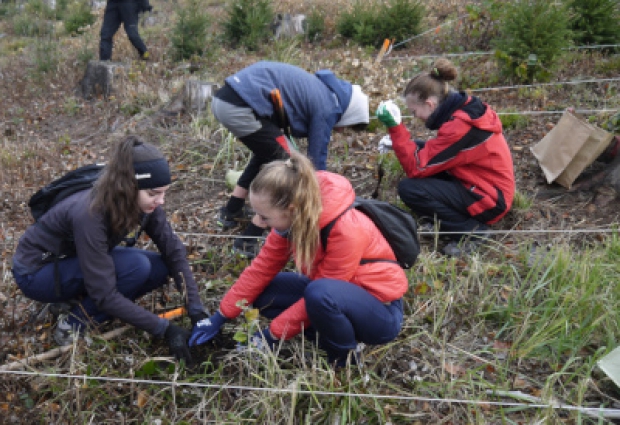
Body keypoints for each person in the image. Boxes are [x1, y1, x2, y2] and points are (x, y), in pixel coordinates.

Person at [188, 152, 407, 367]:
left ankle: (345, 358)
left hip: (380, 312)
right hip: (332, 296)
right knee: (265, 294)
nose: (259, 222)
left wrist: (271, 335)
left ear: (290, 209)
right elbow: (260, 270)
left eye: (264, 217)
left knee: (320, 294)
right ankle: (328, 336)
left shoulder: (347, 229)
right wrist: (220, 316)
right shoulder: (291, 222)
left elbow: (328, 288)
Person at [11, 135, 206, 363]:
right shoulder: (90, 213)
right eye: (153, 194)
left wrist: (196, 309)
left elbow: (174, 252)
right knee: (137, 268)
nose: (160, 201)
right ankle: (72, 324)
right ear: (129, 187)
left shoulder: (143, 203)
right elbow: (104, 294)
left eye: (164, 192)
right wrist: (165, 329)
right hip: (37, 273)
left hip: (74, 259)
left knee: (159, 268)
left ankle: (77, 300)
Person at [212, 61, 370, 258]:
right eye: (346, 126)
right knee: (291, 168)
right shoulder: (329, 106)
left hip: (225, 100)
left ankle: (231, 211)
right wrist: (321, 196)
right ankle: (247, 241)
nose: (340, 130)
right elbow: (315, 161)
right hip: (240, 107)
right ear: (349, 114)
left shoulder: (321, 90)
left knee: (267, 153)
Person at [376, 58, 515, 257]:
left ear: (430, 104)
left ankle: (472, 232)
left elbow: (416, 167)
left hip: (489, 201)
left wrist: (396, 129)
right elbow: (436, 153)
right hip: (483, 185)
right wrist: (400, 144)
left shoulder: (459, 126)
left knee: (410, 189)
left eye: (414, 111)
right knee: (420, 150)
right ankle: (445, 220)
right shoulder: (465, 110)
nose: (415, 117)